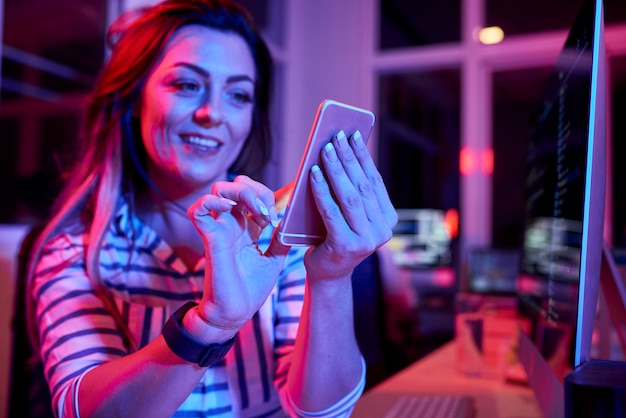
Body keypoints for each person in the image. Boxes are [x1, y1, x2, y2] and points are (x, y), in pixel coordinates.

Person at [24, 0, 398, 416]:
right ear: (133, 99)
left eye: (238, 95)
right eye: (186, 85)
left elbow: (322, 411)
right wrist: (210, 325)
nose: (212, 114)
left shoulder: (278, 237)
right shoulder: (75, 251)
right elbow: (84, 411)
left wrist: (331, 278)